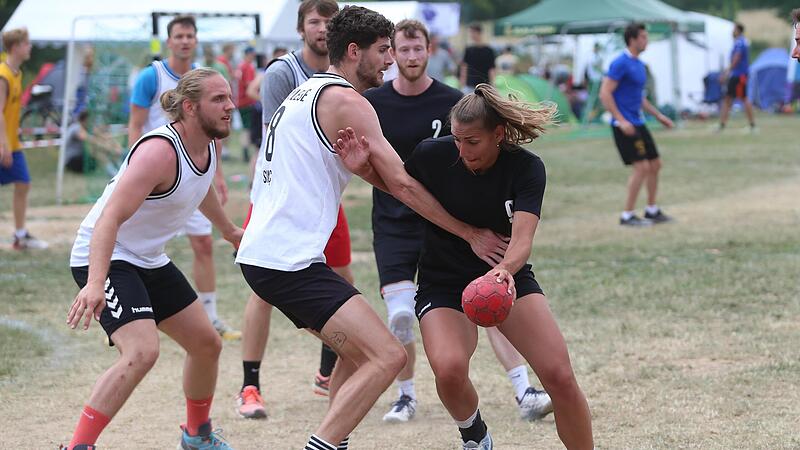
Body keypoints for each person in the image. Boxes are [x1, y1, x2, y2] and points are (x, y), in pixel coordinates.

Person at [236, 6, 507, 450]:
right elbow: (402, 182)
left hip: (271, 255)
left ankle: (334, 439)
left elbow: (375, 177)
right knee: (388, 356)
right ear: (355, 50)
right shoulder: (348, 102)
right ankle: (323, 443)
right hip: (286, 260)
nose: (390, 60)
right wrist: (469, 232)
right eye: (383, 51)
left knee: (356, 350)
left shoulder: (308, 93)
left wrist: (362, 172)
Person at [335, 83, 594, 450]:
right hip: (443, 281)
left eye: (472, 141)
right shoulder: (433, 155)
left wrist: (504, 270)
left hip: (506, 277)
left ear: (498, 135)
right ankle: (475, 434)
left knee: (560, 377)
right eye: (456, 139)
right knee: (450, 370)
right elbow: (403, 188)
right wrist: (363, 170)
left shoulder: (526, 168)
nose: (462, 150)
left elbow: (522, 239)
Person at [364, 19, 552, 424]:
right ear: (393, 53)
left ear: (430, 50)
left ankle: (524, 388)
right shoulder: (375, 101)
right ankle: (406, 394)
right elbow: (396, 180)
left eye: (418, 49)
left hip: (454, 220)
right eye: (403, 50)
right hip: (397, 218)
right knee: (401, 315)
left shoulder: (454, 102)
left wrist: (487, 250)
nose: (411, 56)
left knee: (488, 297)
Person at [63, 68, 241, 450]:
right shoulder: (159, 151)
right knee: (143, 351)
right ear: (190, 108)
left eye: (229, 97)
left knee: (207, 344)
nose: (230, 106)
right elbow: (109, 217)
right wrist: (96, 283)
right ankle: (79, 446)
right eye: (219, 99)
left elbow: (202, 184)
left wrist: (228, 231)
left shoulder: (210, 143)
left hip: (146, 257)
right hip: (107, 253)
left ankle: (196, 436)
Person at [235, 0, 351, 421]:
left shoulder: (345, 74)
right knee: (262, 289)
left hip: (323, 200)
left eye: (329, 22)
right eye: (314, 22)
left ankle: (326, 373)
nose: (322, 29)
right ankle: (250, 385)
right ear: (301, 29)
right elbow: (273, 144)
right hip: (278, 199)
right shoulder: (284, 73)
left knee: (343, 280)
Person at [128, 15, 240, 339]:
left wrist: (215, 174)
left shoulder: (205, 80)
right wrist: (138, 165)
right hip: (157, 179)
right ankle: (133, 313)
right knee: (143, 244)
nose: (185, 41)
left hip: (193, 176)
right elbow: (135, 124)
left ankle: (211, 316)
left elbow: (212, 134)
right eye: (179, 36)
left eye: (190, 35)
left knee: (204, 243)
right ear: (169, 41)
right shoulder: (153, 76)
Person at [599, 23, 675, 227]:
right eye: (643, 37)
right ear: (632, 39)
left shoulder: (639, 65)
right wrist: (621, 120)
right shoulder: (620, 63)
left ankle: (651, 210)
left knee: (655, 164)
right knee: (641, 167)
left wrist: (658, 115)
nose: (646, 40)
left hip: (638, 122)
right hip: (624, 125)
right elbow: (605, 93)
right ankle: (627, 215)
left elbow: (639, 98)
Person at [0, 27, 48, 250]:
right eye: (27, 43)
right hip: (4, 143)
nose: (30, 47)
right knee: (23, 184)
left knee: (24, 184)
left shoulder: (16, 73)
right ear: (16, 46)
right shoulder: (4, 75)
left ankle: (20, 236)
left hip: (11, 142)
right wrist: (4, 144)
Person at [717, 22, 756, 133]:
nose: (732, 31)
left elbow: (736, 58)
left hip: (739, 75)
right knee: (728, 99)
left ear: (738, 30)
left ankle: (752, 125)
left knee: (743, 98)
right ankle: (722, 125)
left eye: (733, 29)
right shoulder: (740, 42)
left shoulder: (740, 42)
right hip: (737, 75)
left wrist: (727, 72)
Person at [64, 110, 123, 175]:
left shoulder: (84, 127)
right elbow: (90, 140)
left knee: (101, 150)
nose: (91, 122)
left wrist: (113, 144)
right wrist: (109, 149)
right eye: (89, 120)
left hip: (80, 158)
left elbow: (102, 136)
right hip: (72, 161)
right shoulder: (76, 128)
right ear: (85, 120)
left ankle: (119, 170)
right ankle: (115, 173)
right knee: (98, 152)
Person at [459, 23, 495, 93]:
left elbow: (492, 69)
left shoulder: (488, 50)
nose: (471, 35)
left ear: (479, 33)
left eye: (473, 32)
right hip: (470, 85)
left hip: (484, 85)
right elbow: (464, 67)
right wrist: (462, 82)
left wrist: (493, 84)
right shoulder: (469, 50)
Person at [237, 46, 258, 162]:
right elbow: (249, 84)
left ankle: (245, 151)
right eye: (252, 54)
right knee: (248, 128)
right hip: (248, 101)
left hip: (241, 101)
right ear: (249, 54)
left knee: (246, 127)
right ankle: (246, 152)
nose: (254, 56)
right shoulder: (248, 67)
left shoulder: (241, 65)